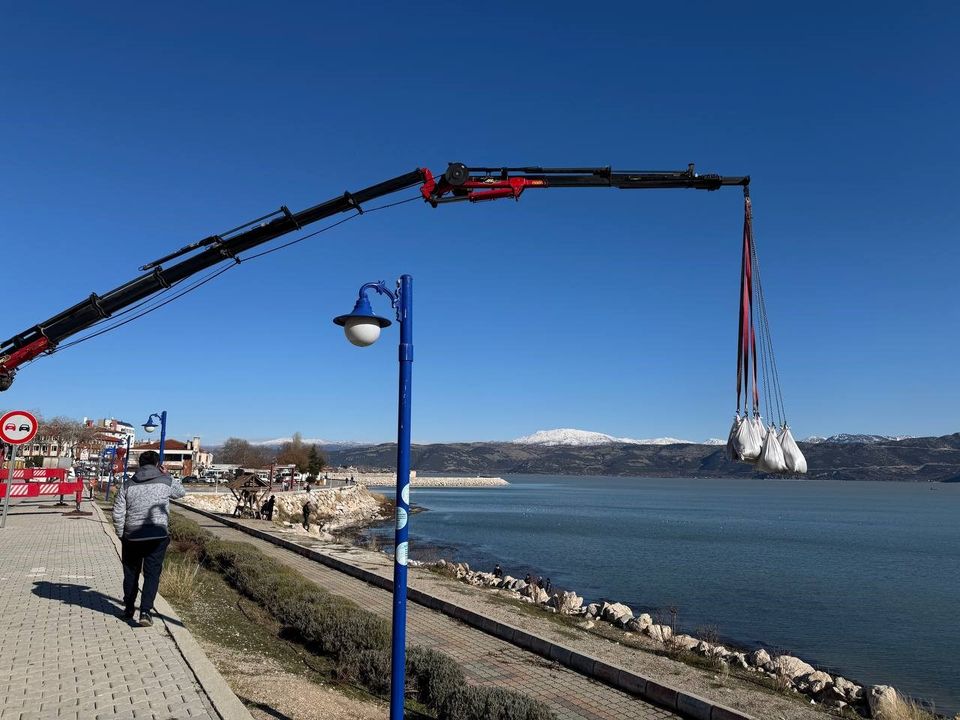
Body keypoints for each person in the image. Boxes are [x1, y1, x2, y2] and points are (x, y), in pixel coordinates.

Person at [112, 451, 185, 627]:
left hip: (132, 536)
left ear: (140, 464)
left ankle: (129, 609)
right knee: (152, 575)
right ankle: (145, 612)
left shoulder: (127, 485)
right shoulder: (165, 481)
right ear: (157, 464)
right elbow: (181, 493)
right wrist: (168, 474)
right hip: (157, 535)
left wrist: (122, 534)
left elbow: (118, 513)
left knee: (131, 574)